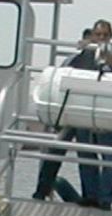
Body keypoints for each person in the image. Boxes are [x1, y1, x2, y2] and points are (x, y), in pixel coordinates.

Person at [32, 28, 92, 200]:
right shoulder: (71, 61)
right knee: (54, 153)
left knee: (86, 157)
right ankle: (42, 190)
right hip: (69, 115)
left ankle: (89, 196)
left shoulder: (101, 63)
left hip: (87, 117)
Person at [75, 19, 112, 209]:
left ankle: (105, 199)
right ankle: (90, 195)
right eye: (98, 35)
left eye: (105, 35)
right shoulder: (85, 55)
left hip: (107, 113)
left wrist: (104, 52)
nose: (101, 38)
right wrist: (83, 49)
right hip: (85, 109)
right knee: (86, 155)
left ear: (111, 36)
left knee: (108, 157)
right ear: (92, 35)